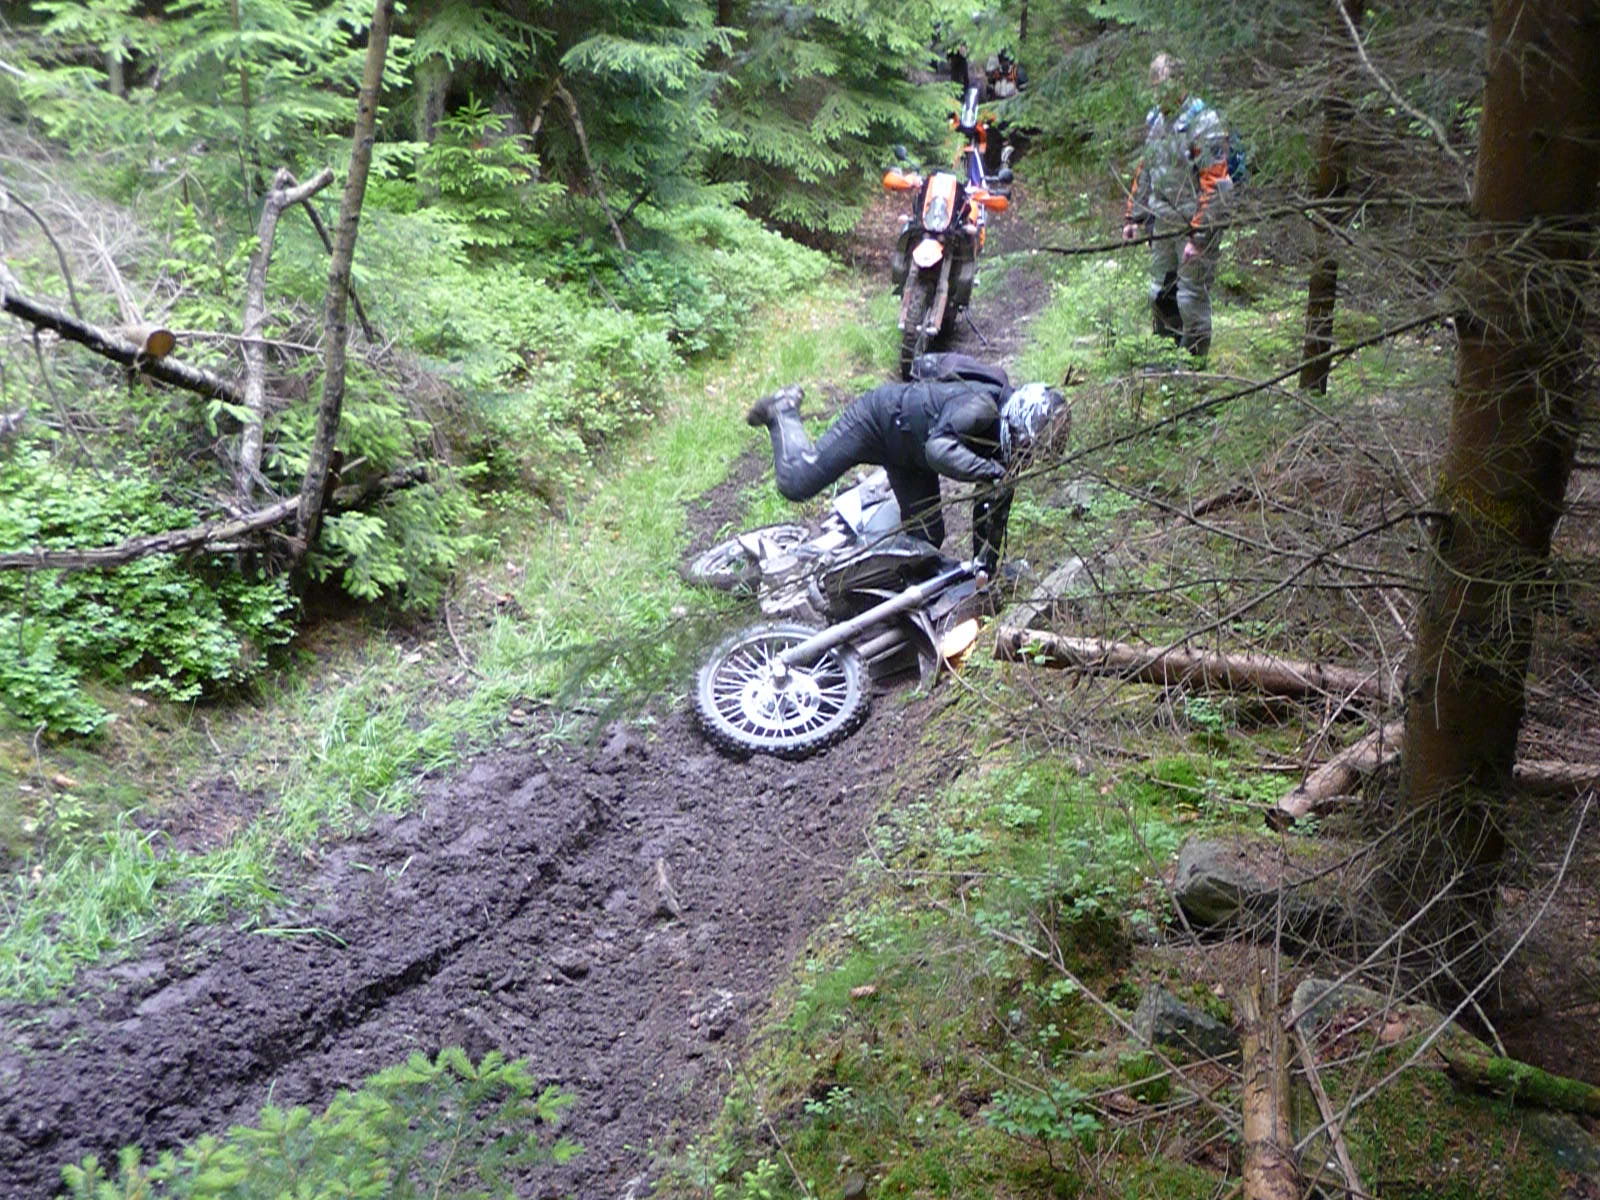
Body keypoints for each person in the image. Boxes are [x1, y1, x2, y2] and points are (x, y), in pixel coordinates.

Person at [743, 354, 1065, 575]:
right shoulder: (982, 407)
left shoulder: (1008, 439)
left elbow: (990, 505)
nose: (1027, 457)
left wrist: (985, 568)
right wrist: (991, 471)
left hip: (910, 455)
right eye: (1027, 447)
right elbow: (939, 451)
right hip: (878, 420)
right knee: (796, 481)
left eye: (1033, 452)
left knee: (925, 542)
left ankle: (865, 593)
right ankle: (782, 410)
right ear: (1017, 422)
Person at [1121, 52, 1233, 363]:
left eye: (1164, 86)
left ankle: (1193, 367)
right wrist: (1134, 216)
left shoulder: (1203, 123)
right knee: (1160, 293)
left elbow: (1216, 185)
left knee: (1190, 297)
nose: (1159, 94)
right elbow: (1147, 170)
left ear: (1179, 83)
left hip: (1192, 225)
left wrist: (1199, 237)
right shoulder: (1157, 122)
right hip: (1163, 222)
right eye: (1155, 87)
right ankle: (1166, 360)